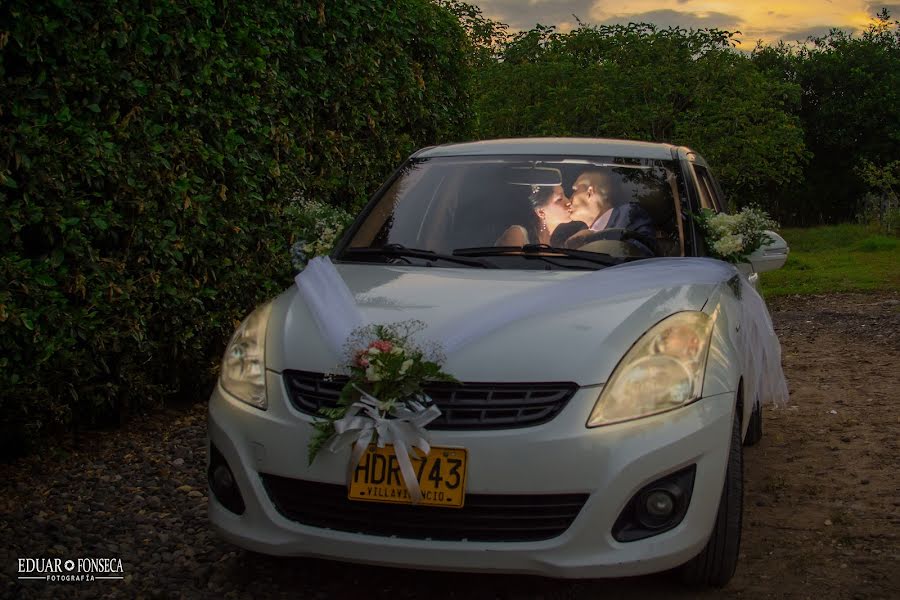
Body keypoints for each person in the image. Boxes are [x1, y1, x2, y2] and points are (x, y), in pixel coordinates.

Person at [565, 169, 657, 254]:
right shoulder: (580, 234)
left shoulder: (630, 213)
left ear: (590, 192)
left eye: (575, 190)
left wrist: (592, 239)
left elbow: (641, 254)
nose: (569, 200)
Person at [496, 185, 574, 246]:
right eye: (559, 199)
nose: (568, 202)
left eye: (565, 196)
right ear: (541, 212)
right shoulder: (517, 234)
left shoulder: (558, 242)